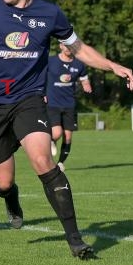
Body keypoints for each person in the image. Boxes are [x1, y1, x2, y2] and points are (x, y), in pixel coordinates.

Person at [0, 0, 133, 260]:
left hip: (29, 99)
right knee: (4, 180)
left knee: (42, 160)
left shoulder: (50, 13)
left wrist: (112, 66)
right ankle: (10, 197)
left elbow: (80, 49)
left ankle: (76, 242)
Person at [47, 44, 92, 172]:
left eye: (70, 46)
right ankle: (51, 140)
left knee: (68, 137)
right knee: (57, 132)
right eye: (65, 46)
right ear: (60, 46)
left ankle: (60, 163)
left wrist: (86, 85)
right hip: (53, 103)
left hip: (69, 105)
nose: (68, 48)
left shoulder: (79, 64)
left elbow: (84, 79)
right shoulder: (51, 61)